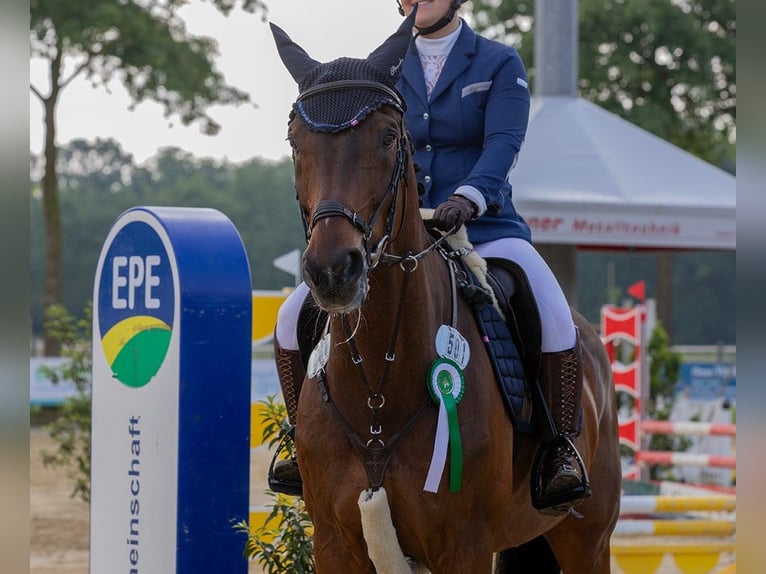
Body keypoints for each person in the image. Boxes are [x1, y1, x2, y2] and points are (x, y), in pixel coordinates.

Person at [271, 0, 589, 516]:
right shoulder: (383, 71)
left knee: (553, 313)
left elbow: (504, 142)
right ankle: (297, 443)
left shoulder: (497, 62)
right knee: (290, 319)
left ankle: (558, 449)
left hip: (483, 226)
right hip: (396, 234)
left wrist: (469, 195)